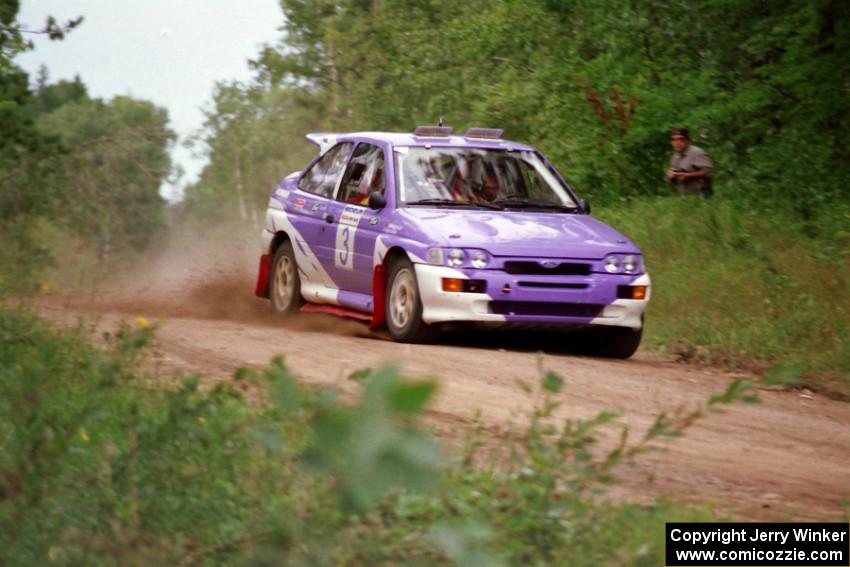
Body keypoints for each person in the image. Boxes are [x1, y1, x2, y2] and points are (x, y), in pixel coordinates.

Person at [667, 128, 713, 198]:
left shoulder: (696, 152)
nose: (677, 142)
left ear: (687, 140)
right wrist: (671, 176)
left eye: (681, 139)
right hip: (685, 197)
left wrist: (688, 175)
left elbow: (708, 172)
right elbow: (674, 183)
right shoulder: (675, 158)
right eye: (674, 140)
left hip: (702, 195)